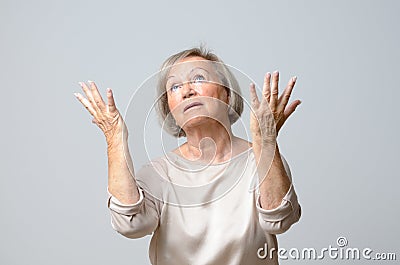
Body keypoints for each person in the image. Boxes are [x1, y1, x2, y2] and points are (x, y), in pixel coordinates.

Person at [74, 46, 302, 265]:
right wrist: (114, 139)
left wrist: (267, 142)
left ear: (226, 93)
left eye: (199, 78)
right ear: (170, 109)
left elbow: (279, 220)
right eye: (174, 87)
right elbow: (130, 225)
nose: (187, 91)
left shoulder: (260, 159)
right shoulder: (158, 173)